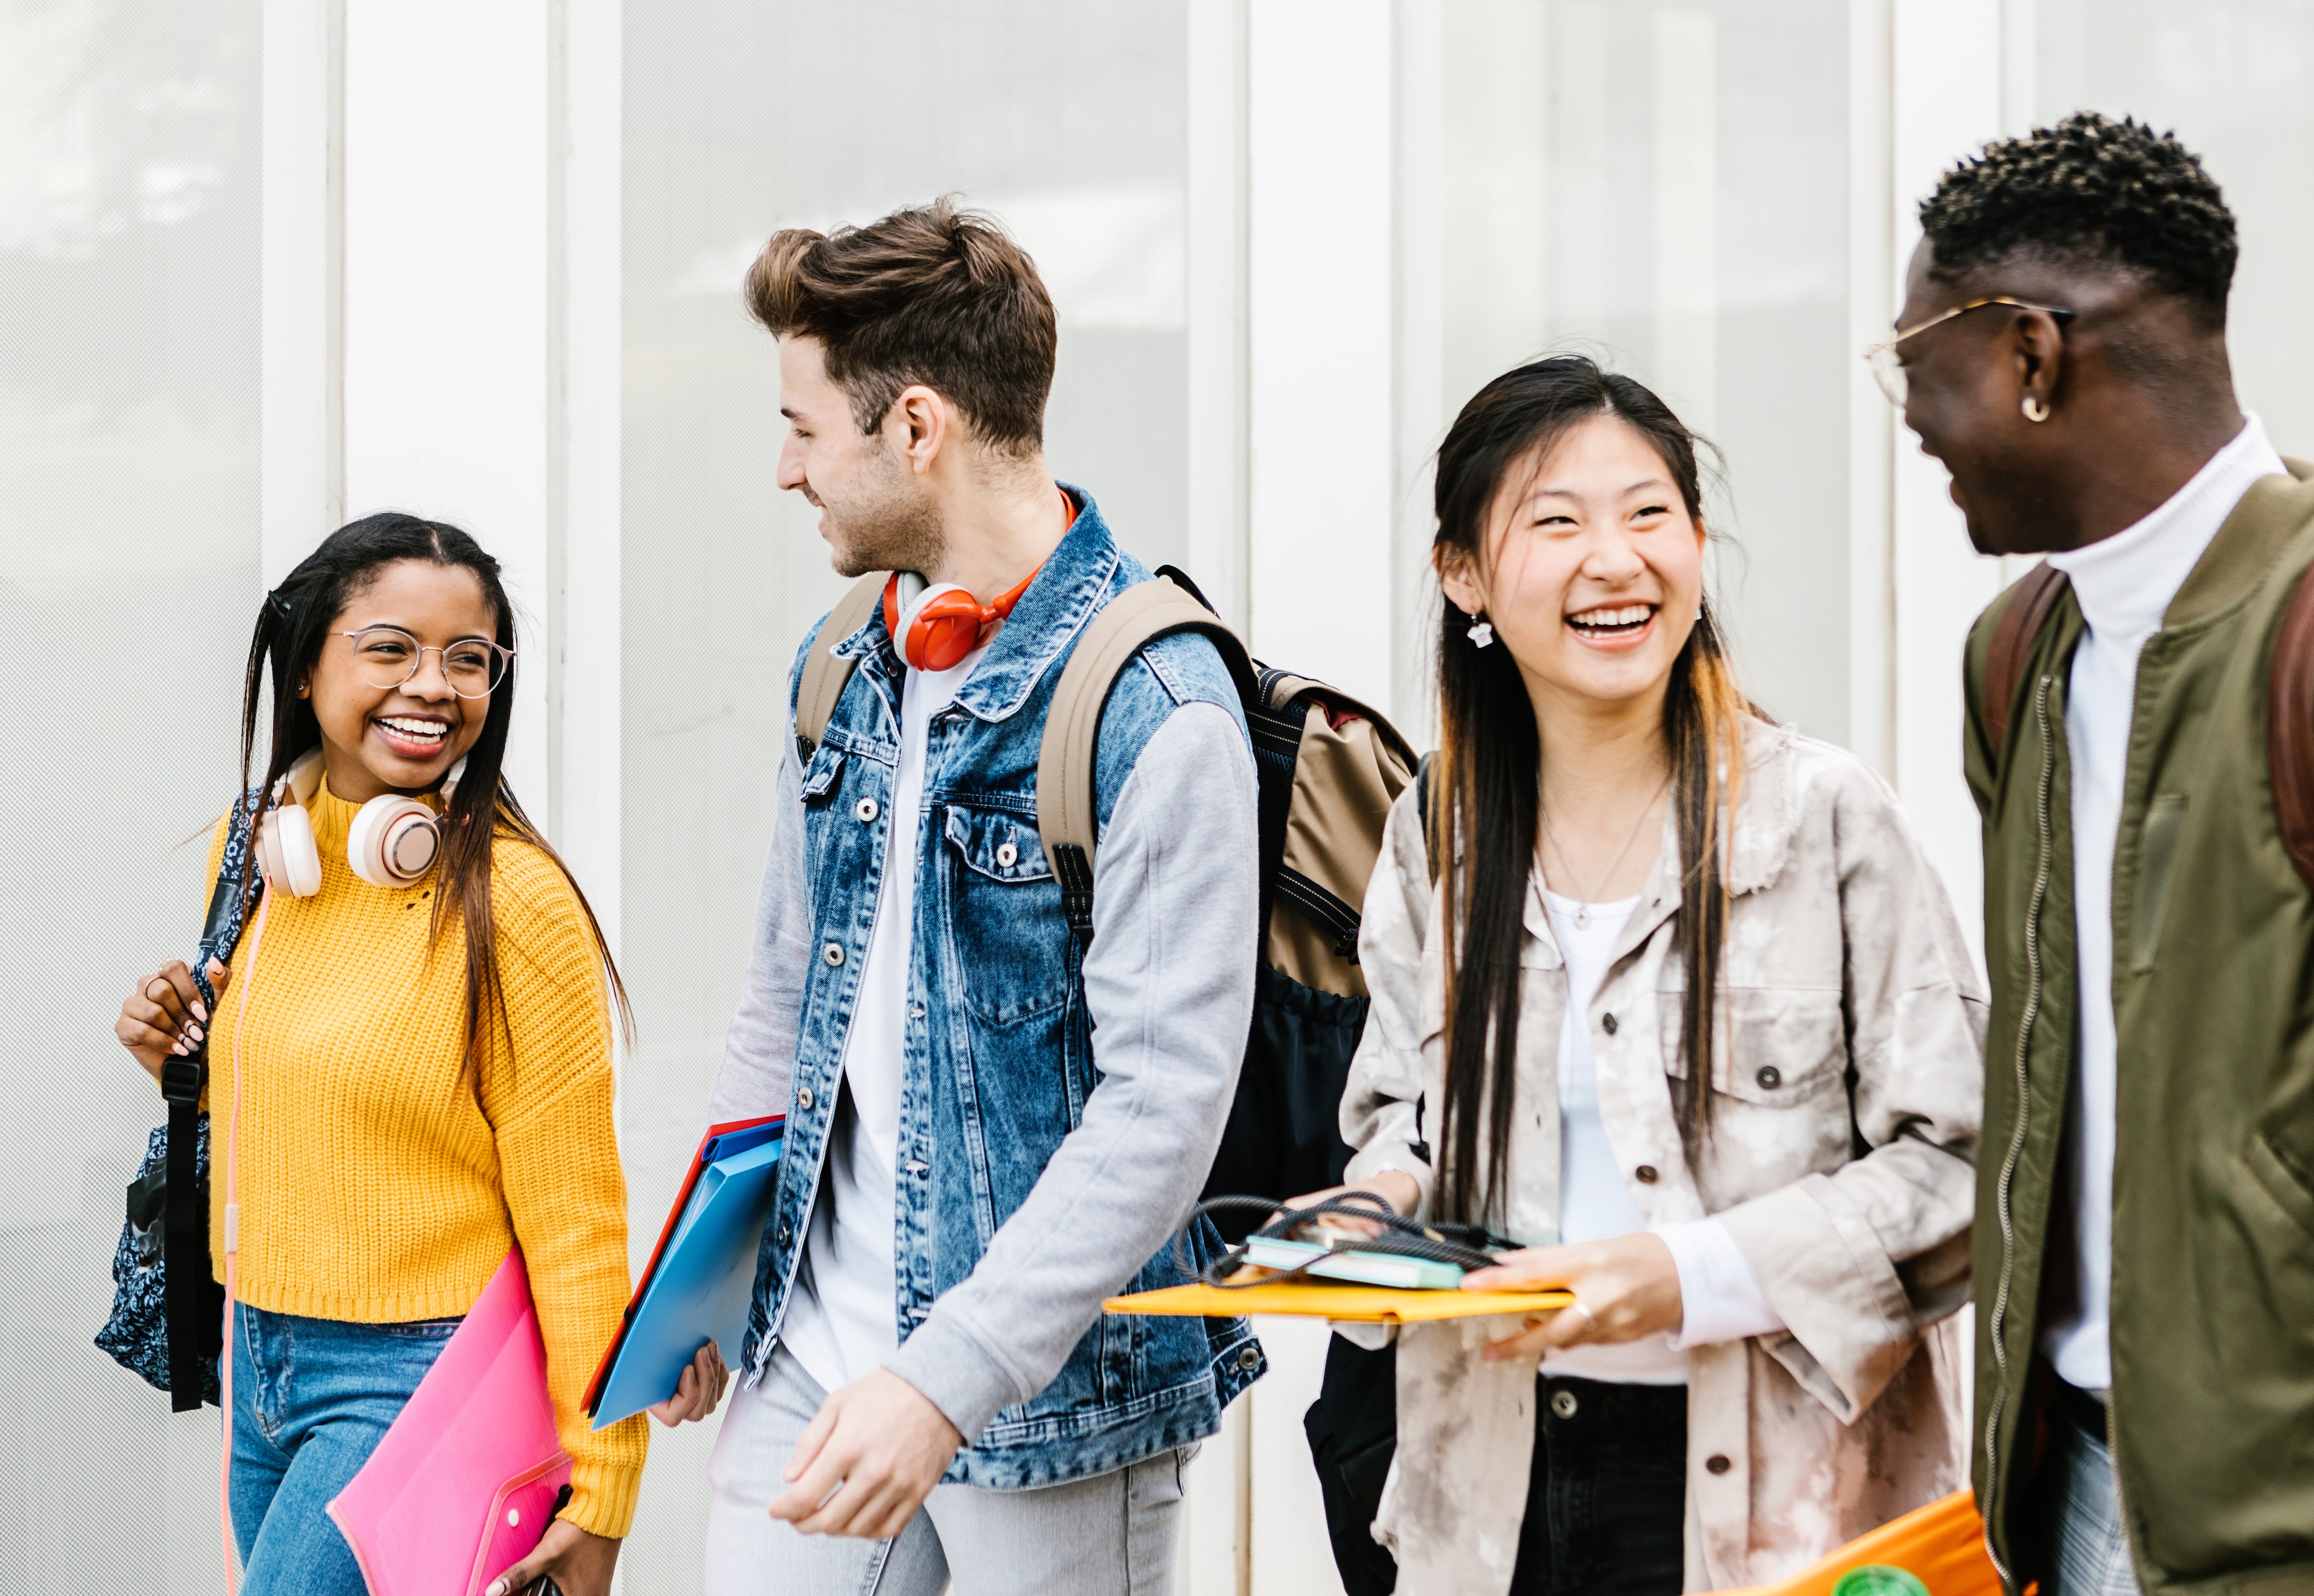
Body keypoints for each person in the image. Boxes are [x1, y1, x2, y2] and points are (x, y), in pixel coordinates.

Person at [1318, 356, 1987, 1595]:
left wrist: (1689, 1274)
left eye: (1648, 514)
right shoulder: (1437, 828)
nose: (1614, 560)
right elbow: (1399, 1110)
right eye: (1556, 521)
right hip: (1493, 1488)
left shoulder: (1825, 820)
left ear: (1696, 544)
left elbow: (1965, 1164)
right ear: (1462, 573)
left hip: (1779, 1501)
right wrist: (1379, 1205)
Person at [670, 201, 1261, 1595]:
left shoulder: (1158, 704)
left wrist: (944, 1377)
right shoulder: (840, 662)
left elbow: (1164, 1106)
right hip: (810, 1364)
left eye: (806, 428)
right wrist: (705, 1282)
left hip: (1052, 1412)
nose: (786, 468)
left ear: (916, 425)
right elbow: (782, 1003)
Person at [1880, 112, 2314, 1594]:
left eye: (1914, 358)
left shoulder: (2299, 628)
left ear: (2032, 354)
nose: (1909, 414)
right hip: (2065, 1489)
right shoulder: (2018, 657)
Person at [112, 514, 699, 1596]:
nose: (433, 685)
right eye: (390, 647)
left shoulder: (514, 902)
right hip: (258, 1353)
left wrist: (604, 1492)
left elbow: (576, 1221)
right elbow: (339, 1107)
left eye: (468, 658)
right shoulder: (257, 856)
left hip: (414, 1374)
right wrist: (185, 1064)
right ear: (306, 667)